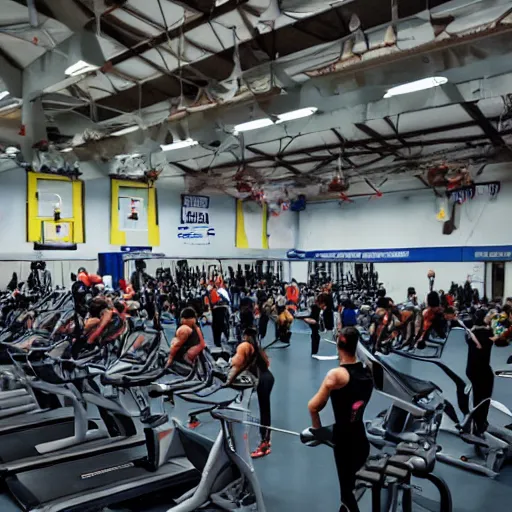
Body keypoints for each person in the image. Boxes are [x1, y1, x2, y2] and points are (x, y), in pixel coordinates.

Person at [308, 327, 373, 512]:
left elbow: (313, 406)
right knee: (350, 491)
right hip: (361, 440)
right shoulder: (367, 371)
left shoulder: (336, 375)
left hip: (344, 443)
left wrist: (318, 431)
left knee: (347, 496)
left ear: (338, 343)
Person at [227, 327, 274, 458]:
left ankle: (264, 444)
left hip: (262, 381)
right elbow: (267, 363)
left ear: (245, 335)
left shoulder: (245, 346)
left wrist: (229, 381)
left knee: (263, 411)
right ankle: (266, 440)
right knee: (265, 411)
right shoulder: (257, 348)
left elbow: (237, 365)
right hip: (268, 378)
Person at [466, 309, 494, 435]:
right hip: (483, 369)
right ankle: (481, 421)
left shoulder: (470, 333)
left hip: (472, 368)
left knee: (477, 396)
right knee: (485, 397)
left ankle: (476, 421)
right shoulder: (489, 333)